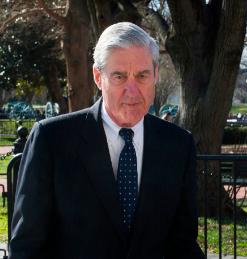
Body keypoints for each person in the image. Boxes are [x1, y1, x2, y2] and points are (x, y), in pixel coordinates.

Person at [10, 22, 205, 259]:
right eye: (119, 77)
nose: (132, 92)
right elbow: (26, 247)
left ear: (155, 75)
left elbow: (182, 244)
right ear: (98, 76)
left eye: (142, 76)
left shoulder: (178, 145)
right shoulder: (52, 140)